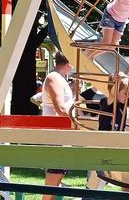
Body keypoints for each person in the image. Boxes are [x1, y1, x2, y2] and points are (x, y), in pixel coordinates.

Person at [41, 53, 75, 199]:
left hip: (62, 133)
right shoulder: (54, 78)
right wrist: (78, 120)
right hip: (56, 133)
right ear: (68, 63)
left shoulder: (60, 78)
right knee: (55, 173)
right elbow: (60, 109)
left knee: (58, 173)